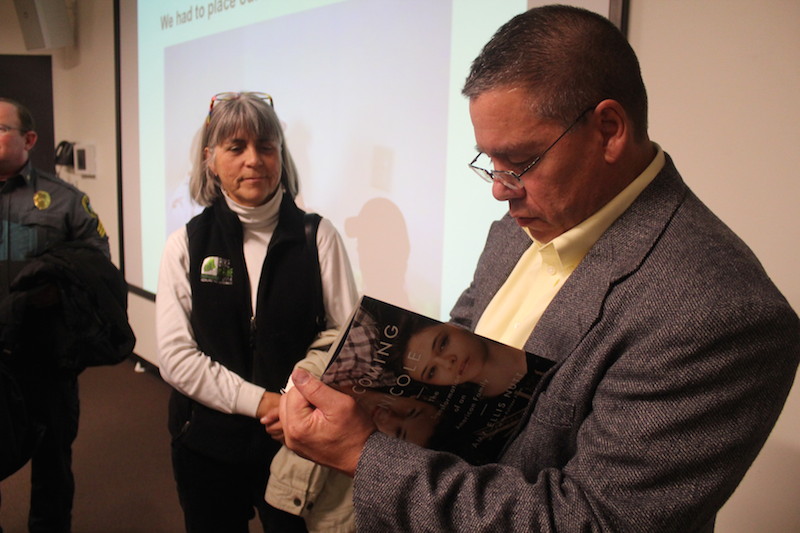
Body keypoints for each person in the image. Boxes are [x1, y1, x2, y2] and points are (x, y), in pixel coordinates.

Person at [277, 6, 800, 533]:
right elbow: (467, 342)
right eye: (490, 162)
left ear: (610, 130)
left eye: (521, 162)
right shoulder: (519, 226)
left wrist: (366, 456)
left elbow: (590, 522)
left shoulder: (721, 313)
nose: (500, 190)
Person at [155, 91, 358, 533]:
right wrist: (264, 402)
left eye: (266, 146)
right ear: (211, 159)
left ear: (281, 155)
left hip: (295, 449)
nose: (254, 160)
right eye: (236, 147)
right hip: (205, 446)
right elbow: (175, 357)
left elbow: (347, 345)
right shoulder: (186, 244)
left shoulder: (317, 237)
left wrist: (295, 411)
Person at [0, 97, 116, 533]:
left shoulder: (66, 202)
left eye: (0, 128)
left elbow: (98, 270)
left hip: (45, 360)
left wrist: (56, 293)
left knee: (52, 467)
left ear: (29, 139)